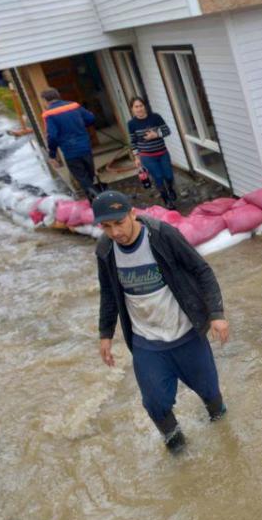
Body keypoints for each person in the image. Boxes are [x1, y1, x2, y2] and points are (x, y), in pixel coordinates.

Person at [94, 190, 230, 453]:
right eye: (106, 226)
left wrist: (216, 314)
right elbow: (108, 293)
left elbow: (201, 270)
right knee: (155, 404)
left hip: (187, 334)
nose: (115, 232)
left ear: (132, 214)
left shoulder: (162, 235)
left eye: (119, 222)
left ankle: (226, 442)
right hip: (147, 342)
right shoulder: (106, 249)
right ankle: (179, 455)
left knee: (211, 396)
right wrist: (105, 333)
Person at [41, 88, 101, 202]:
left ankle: (97, 201)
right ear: (58, 96)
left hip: (70, 151)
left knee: (83, 178)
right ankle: (98, 198)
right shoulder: (74, 106)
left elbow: (52, 136)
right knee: (89, 175)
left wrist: (52, 155)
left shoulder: (48, 114)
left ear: (45, 100)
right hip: (85, 147)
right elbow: (91, 118)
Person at [127, 97, 178, 210]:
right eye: (136, 107)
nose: (139, 109)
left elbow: (167, 131)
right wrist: (136, 158)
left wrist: (156, 135)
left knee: (169, 176)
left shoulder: (155, 117)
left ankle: (170, 189)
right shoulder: (131, 124)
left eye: (141, 105)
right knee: (158, 177)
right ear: (132, 109)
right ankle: (167, 200)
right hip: (147, 156)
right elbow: (133, 142)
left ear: (145, 106)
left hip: (162, 153)